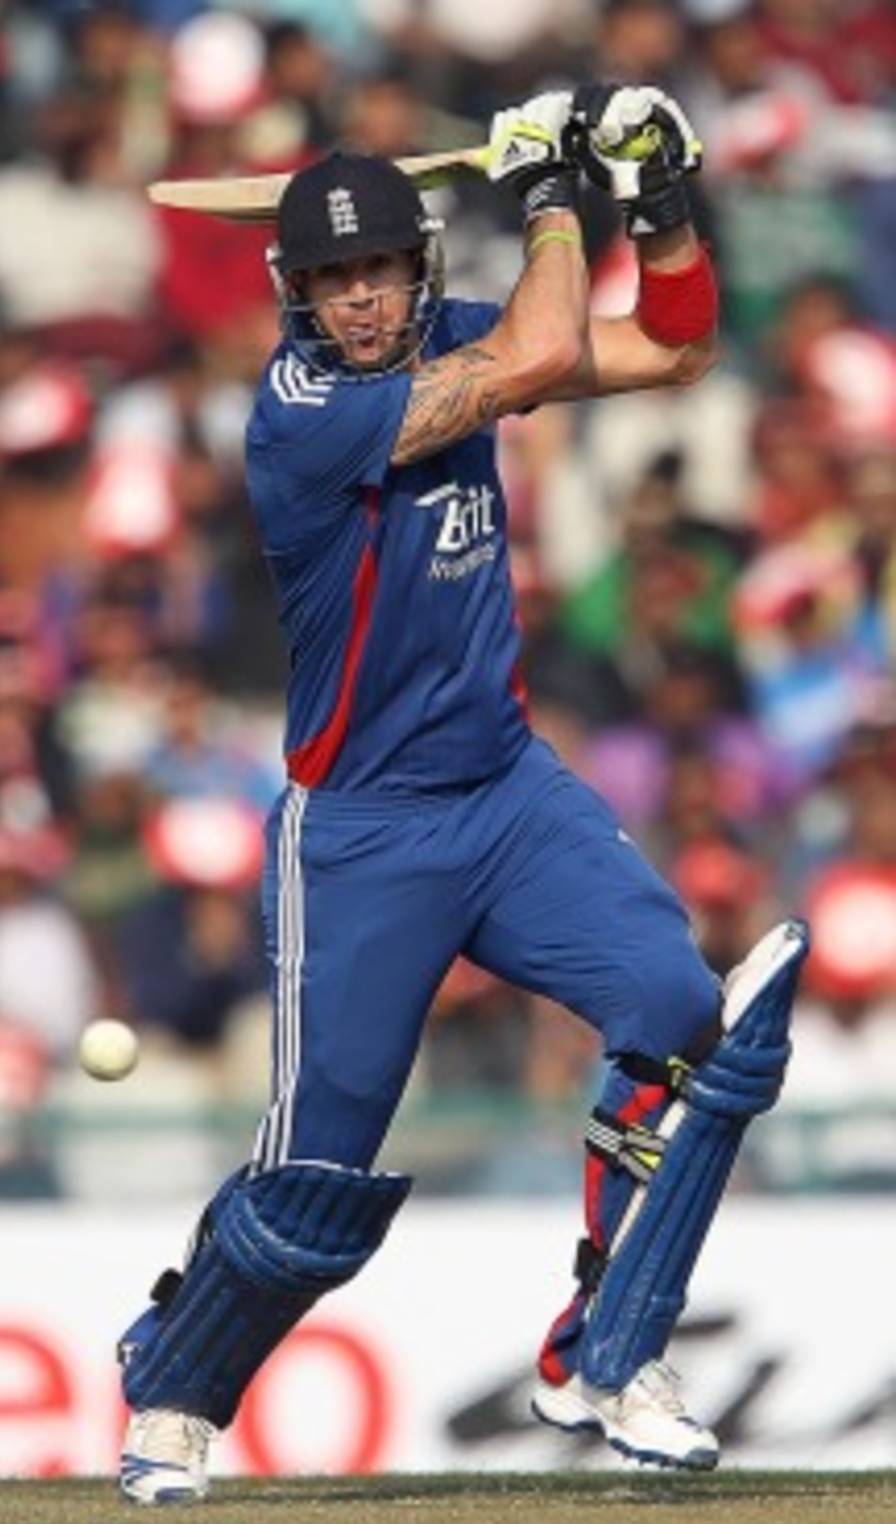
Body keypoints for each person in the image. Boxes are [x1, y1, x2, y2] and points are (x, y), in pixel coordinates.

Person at [116, 86, 810, 1504]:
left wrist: (662, 204)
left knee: (687, 1020)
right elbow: (548, 340)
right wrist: (559, 189)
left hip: (504, 792)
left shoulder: (459, 332)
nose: (360, 303)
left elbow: (673, 349)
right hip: (360, 831)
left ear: (414, 267)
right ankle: (174, 1396)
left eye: (378, 271)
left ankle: (606, 1353)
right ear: (293, 293)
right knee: (315, 1183)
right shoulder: (300, 415)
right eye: (330, 279)